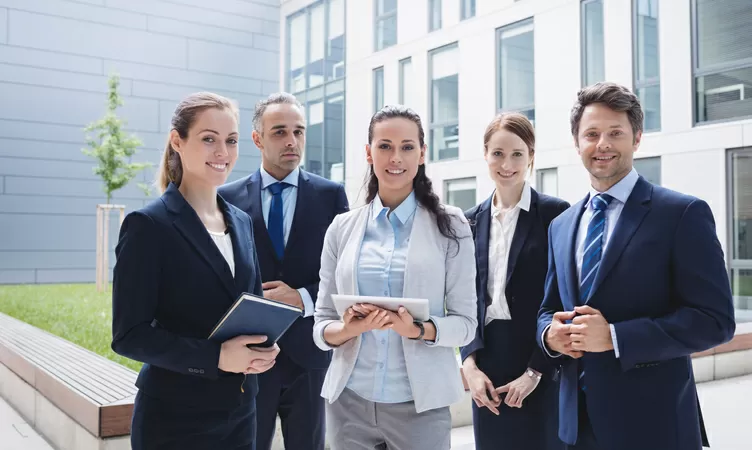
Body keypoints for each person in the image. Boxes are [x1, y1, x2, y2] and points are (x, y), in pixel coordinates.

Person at [536, 82, 736, 450]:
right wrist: (549, 334)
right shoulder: (561, 225)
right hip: (574, 426)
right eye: (591, 134)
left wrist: (614, 337)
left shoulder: (681, 214)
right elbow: (548, 309)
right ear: (576, 142)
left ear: (637, 138)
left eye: (616, 133)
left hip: (654, 424)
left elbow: (716, 322)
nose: (603, 145)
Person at [111, 92, 281, 450]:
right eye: (209, 139)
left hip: (240, 412)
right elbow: (129, 335)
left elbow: (253, 305)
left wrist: (264, 345)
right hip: (174, 420)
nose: (223, 152)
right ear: (178, 141)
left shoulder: (242, 222)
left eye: (231, 141)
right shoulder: (149, 225)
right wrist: (218, 357)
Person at [312, 105, 478, 450]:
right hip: (348, 402)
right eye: (384, 146)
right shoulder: (342, 228)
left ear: (422, 154)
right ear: (368, 153)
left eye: (406, 147)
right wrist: (347, 330)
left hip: (420, 404)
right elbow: (321, 323)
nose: (395, 157)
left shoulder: (452, 224)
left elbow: (466, 324)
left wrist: (418, 330)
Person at [218, 92, 349, 450]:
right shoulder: (226, 199)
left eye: (298, 131)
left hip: (310, 355)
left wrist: (302, 298)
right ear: (258, 139)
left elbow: (344, 273)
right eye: (279, 132)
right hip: (251, 353)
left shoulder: (331, 195)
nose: (292, 141)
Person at [461, 112, 569, 450]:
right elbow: (463, 298)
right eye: (498, 153)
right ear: (486, 155)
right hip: (487, 363)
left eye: (517, 154)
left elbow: (564, 299)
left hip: (539, 358)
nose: (506, 164)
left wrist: (536, 372)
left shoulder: (556, 214)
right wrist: (469, 365)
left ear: (531, 158)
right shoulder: (469, 222)